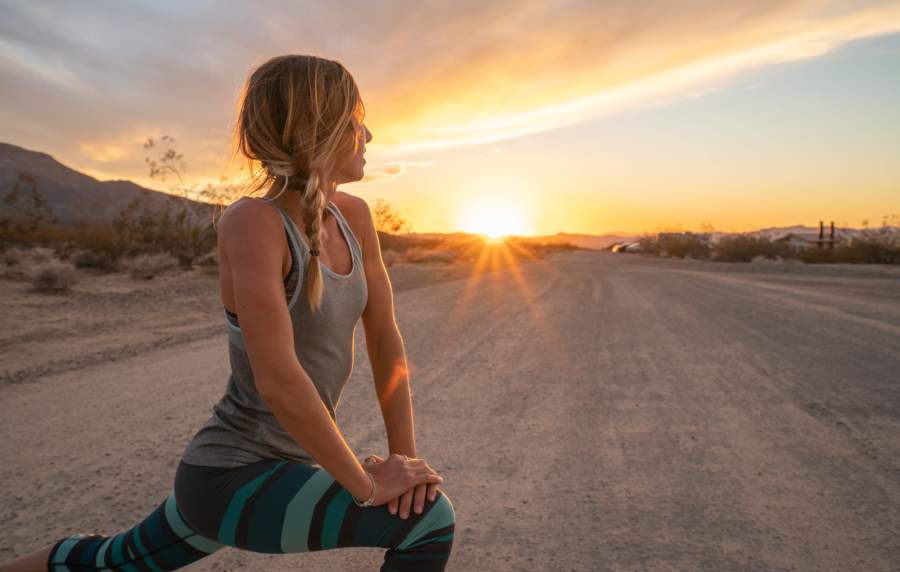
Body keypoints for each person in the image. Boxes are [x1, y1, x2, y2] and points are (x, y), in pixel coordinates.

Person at [1, 55, 455, 572]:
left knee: (117, 560)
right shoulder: (254, 222)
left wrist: (404, 463)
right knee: (428, 522)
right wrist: (368, 486)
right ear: (319, 127)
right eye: (355, 118)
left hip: (268, 469)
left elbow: (384, 339)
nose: (367, 134)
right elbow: (280, 382)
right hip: (233, 476)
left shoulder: (353, 215)